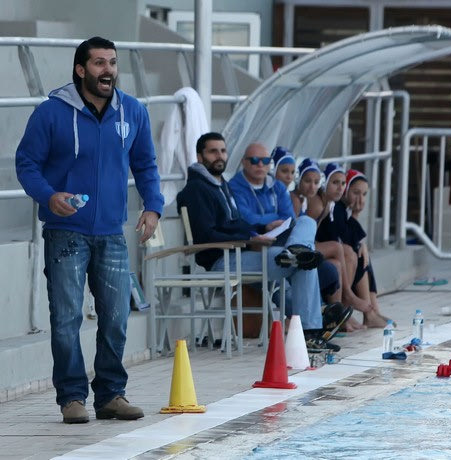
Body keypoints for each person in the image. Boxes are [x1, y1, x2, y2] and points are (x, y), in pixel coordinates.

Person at [15, 37, 163, 424]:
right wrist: (48, 196)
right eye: (99, 63)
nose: (108, 69)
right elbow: (27, 163)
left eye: (112, 62)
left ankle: (111, 394)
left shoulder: (133, 111)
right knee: (67, 318)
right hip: (65, 231)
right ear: (81, 69)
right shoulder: (51, 112)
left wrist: (153, 206)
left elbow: (146, 164)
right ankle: (71, 397)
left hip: (112, 232)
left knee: (116, 317)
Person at [176, 133, 349, 352]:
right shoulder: (196, 190)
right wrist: (249, 238)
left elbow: (238, 223)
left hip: (245, 252)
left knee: (305, 227)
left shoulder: (220, 185)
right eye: (212, 151)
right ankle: (312, 329)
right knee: (304, 260)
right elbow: (206, 235)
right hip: (224, 259)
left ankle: (296, 252)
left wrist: (259, 231)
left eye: (222, 150)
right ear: (200, 157)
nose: (219, 156)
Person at [316, 166, 388, 329]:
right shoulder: (335, 208)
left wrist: (361, 244)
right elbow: (341, 239)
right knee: (352, 253)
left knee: (359, 253)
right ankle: (357, 310)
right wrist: (355, 218)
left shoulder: (338, 208)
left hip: (331, 255)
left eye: (364, 194)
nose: (360, 199)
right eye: (356, 193)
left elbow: (345, 237)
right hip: (325, 257)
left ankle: (373, 311)